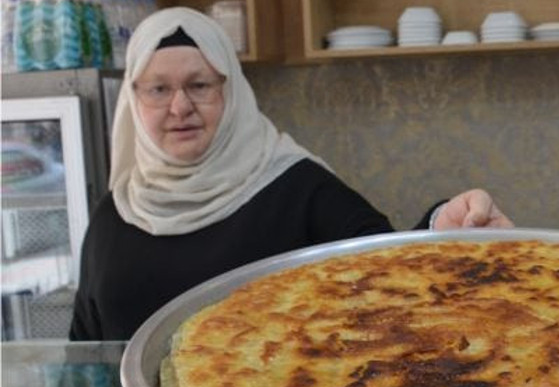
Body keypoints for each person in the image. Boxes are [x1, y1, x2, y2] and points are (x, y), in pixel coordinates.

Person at [69, 7, 513, 341]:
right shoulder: (118, 209)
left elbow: (389, 277)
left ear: (234, 91)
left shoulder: (298, 188)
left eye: (199, 85)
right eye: (158, 89)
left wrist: (441, 230)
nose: (180, 106)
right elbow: (84, 341)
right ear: (134, 101)